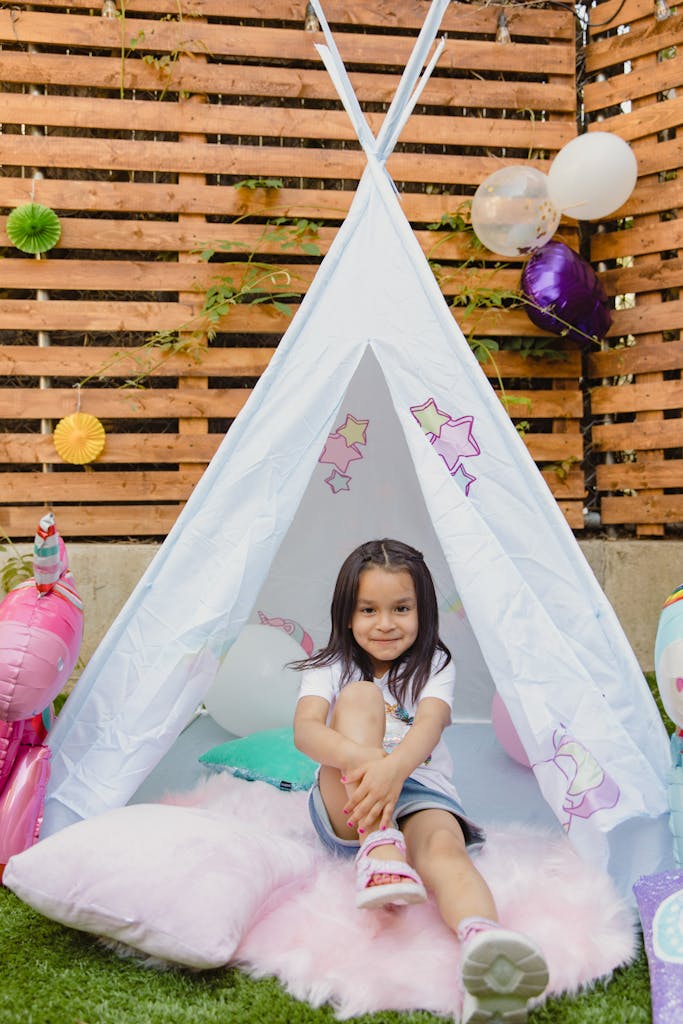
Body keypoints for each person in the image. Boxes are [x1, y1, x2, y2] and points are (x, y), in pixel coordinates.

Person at [293, 538, 548, 1023]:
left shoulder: (435, 665)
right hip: (345, 798)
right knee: (362, 698)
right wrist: (366, 763)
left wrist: (393, 770)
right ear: (347, 615)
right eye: (368, 609)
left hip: (419, 786)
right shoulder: (331, 666)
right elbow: (306, 732)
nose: (385, 623)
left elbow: (428, 728)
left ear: (422, 611)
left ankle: (485, 950)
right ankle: (379, 846)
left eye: (401, 608)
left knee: (444, 852)